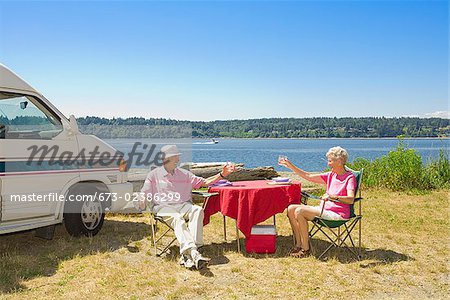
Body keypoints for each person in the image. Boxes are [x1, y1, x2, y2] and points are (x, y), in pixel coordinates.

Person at [139, 145, 236, 269]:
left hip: (183, 205)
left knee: (197, 210)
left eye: (177, 157)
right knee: (177, 218)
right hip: (163, 207)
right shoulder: (153, 175)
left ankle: (189, 253)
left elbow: (204, 182)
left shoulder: (184, 174)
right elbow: (144, 193)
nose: (178, 160)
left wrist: (222, 174)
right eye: (175, 158)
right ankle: (193, 253)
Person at [279, 146, 356, 258]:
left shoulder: (349, 178)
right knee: (291, 209)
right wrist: (290, 166)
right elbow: (308, 176)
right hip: (324, 209)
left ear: (339, 162)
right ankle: (298, 244)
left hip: (337, 214)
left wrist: (333, 196)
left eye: (330, 161)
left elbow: (351, 199)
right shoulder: (331, 175)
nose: (328, 164)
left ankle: (305, 250)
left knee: (300, 211)